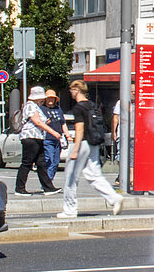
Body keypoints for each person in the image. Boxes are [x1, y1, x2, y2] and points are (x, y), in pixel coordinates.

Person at [57, 80, 124, 219]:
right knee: (93, 174)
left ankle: (69, 210)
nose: (70, 92)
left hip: (83, 143)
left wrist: (75, 149)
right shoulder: (92, 105)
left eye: (71, 89)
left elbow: (80, 129)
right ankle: (114, 198)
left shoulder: (78, 108)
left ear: (76, 90)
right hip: (94, 143)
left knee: (71, 176)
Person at [14, 87, 59, 195]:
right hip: (30, 137)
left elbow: (39, 122)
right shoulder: (30, 106)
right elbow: (37, 122)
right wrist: (53, 132)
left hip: (37, 137)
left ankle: (48, 187)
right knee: (27, 163)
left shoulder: (36, 106)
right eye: (41, 98)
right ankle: (19, 188)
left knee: (41, 163)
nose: (43, 100)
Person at [42, 87, 69, 191]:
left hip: (57, 139)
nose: (50, 100)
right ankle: (47, 185)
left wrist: (67, 135)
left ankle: (48, 183)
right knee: (50, 160)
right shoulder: (42, 109)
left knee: (56, 162)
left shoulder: (58, 109)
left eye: (52, 98)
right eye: (48, 98)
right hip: (47, 138)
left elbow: (63, 123)